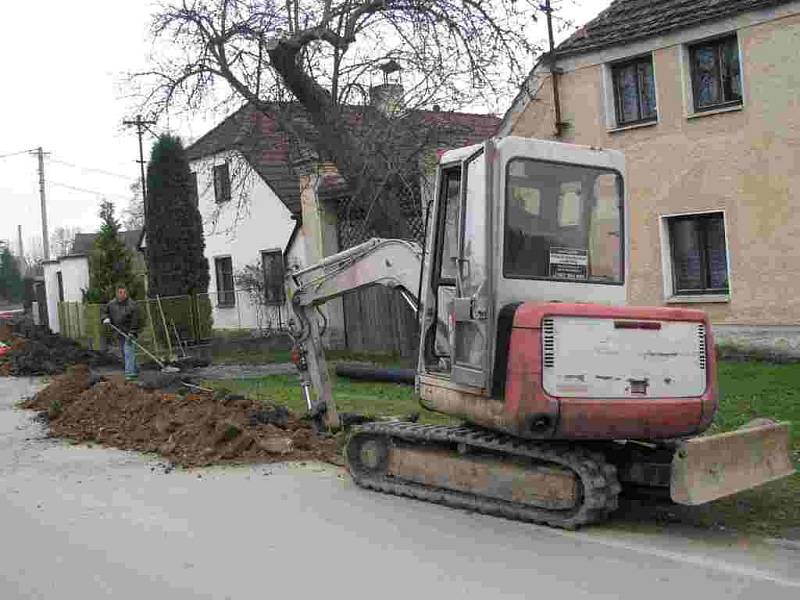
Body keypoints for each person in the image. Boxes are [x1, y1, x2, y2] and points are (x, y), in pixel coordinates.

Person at [101, 284, 139, 380]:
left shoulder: (132, 305)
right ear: (117, 293)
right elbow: (104, 312)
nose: (122, 294)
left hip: (130, 332)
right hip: (119, 333)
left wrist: (132, 332)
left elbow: (135, 320)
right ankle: (135, 369)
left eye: (124, 292)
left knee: (128, 351)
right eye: (120, 292)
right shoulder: (111, 304)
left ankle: (129, 374)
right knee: (124, 352)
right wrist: (105, 318)